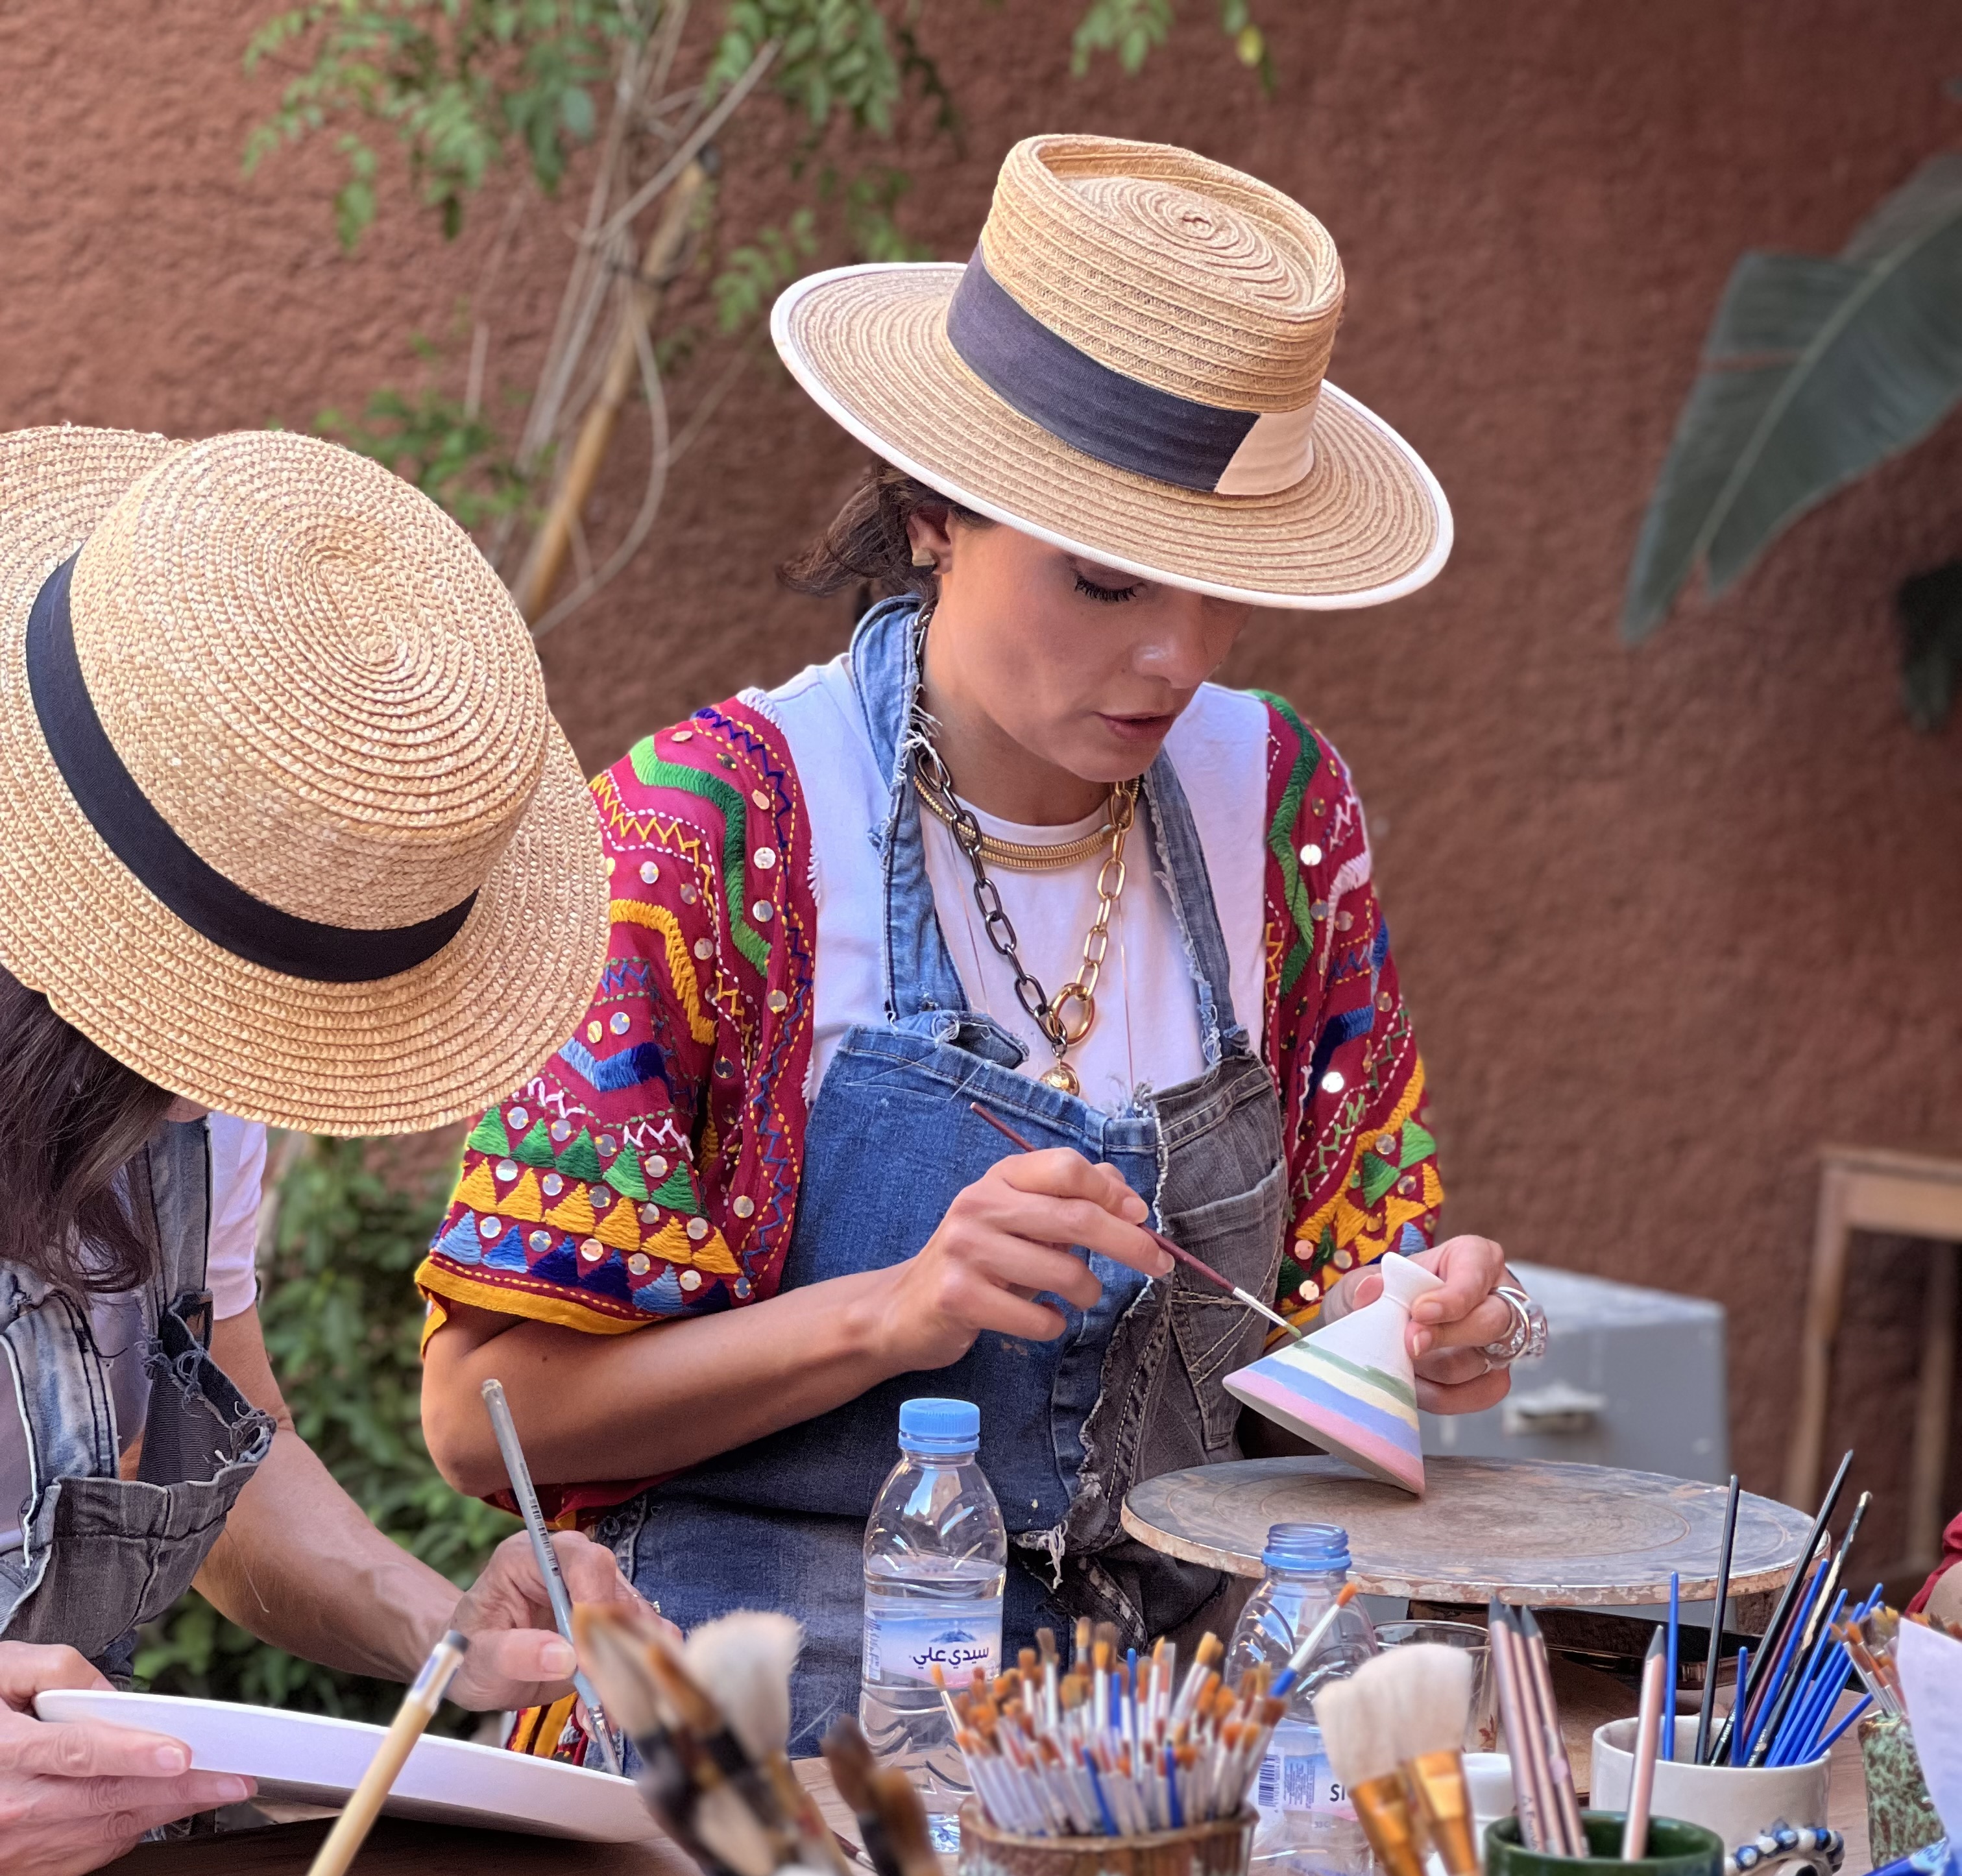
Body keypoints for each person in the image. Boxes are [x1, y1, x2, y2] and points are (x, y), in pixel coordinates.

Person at [418, 135, 1544, 1751]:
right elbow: (484, 1421)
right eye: (1107, 582)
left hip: (1157, 1750)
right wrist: (896, 1309)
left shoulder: (1282, 807)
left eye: (1225, 589)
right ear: (932, 510)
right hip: (757, 1740)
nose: (1176, 656)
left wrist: (1412, 1339)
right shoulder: (708, 833)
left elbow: (1317, 1339)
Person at [0, 422, 636, 1876]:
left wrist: (438, 1634)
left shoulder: (202, 1100)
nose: (217, 1094)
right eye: (196, 1022)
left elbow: (234, 1450)